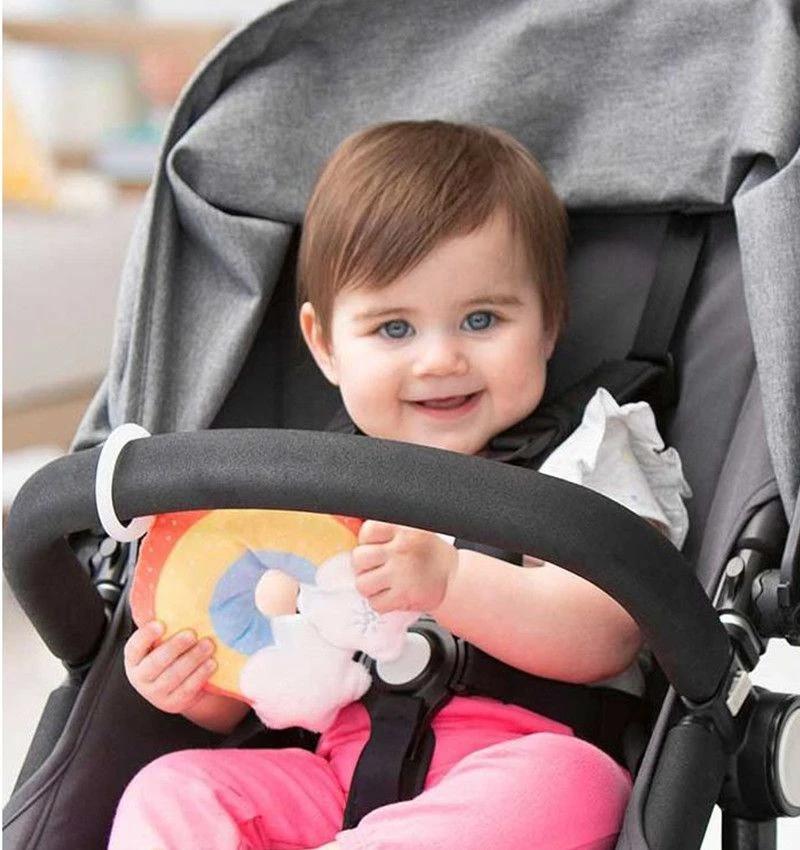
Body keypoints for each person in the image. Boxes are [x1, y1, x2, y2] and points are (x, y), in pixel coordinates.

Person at [109, 120, 690, 850]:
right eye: (393, 329)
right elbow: (265, 672)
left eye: (481, 319)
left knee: (576, 783)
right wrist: (196, 686)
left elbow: (607, 633)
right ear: (326, 344)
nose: (440, 359)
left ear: (549, 325)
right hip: (337, 784)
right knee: (174, 788)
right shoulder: (312, 490)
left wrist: (449, 582)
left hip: (513, 770)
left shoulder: (590, 451)